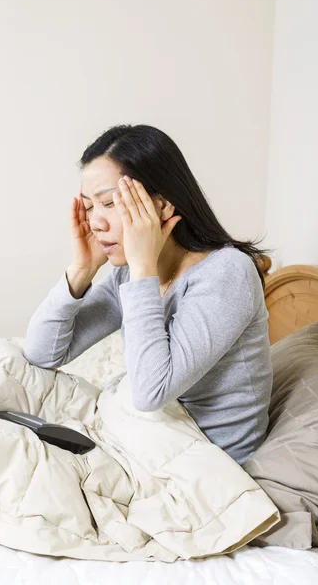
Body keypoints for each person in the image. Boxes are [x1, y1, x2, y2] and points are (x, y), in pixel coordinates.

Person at [23, 124, 274, 466]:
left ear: (162, 206)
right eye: (89, 207)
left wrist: (143, 268)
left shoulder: (228, 273)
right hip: (149, 445)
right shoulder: (129, 273)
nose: (95, 222)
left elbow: (151, 392)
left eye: (109, 203)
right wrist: (81, 271)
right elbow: (41, 353)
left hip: (204, 465)